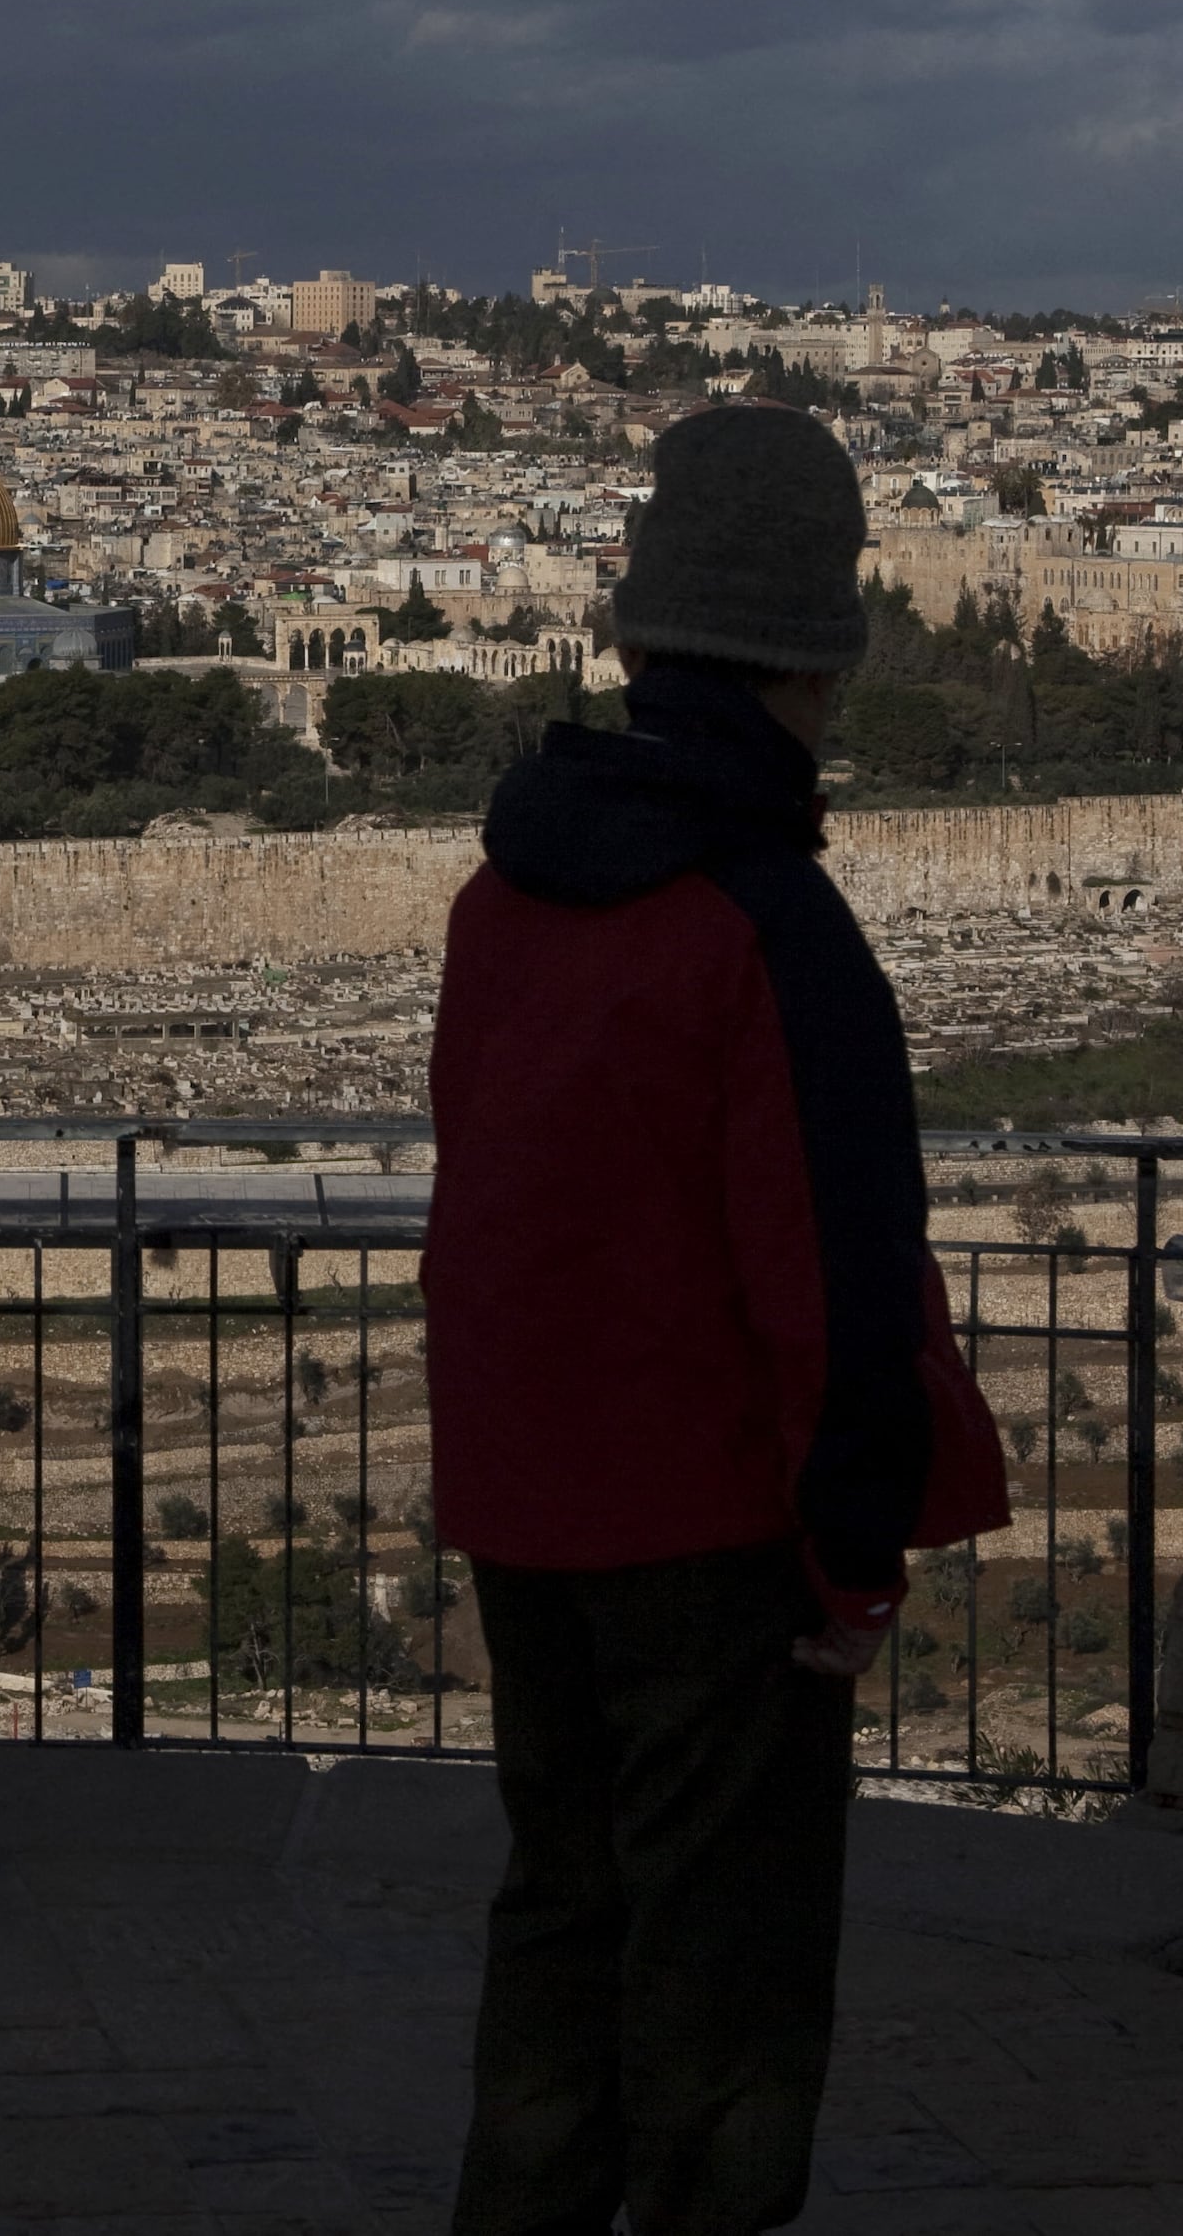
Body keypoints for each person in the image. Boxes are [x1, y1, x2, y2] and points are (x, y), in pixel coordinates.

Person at [420, 402, 1007, 2236]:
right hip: (713, 1520)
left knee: (562, 1904)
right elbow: (832, 1266)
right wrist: (854, 1553)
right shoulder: (769, 920)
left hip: (529, 1502)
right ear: (825, 648)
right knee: (726, 1973)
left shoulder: (505, 892)